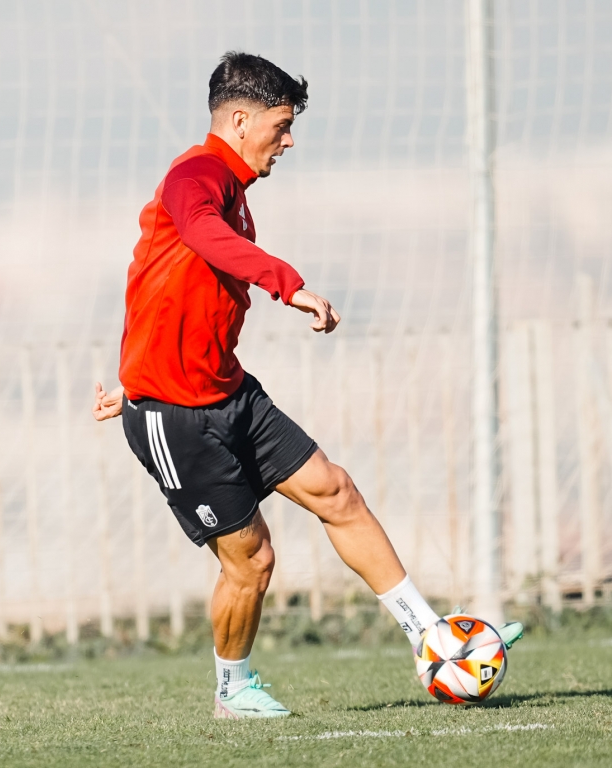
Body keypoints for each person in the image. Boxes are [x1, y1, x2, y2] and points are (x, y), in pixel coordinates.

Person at [93, 51, 523, 720]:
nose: (289, 140)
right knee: (252, 562)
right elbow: (201, 236)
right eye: (282, 124)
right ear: (240, 119)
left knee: (335, 490)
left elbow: (170, 294)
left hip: (228, 394)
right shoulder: (196, 175)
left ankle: (428, 635)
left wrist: (135, 376)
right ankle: (232, 689)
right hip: (175, 416)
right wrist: (285, 284)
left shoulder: (234, 195)